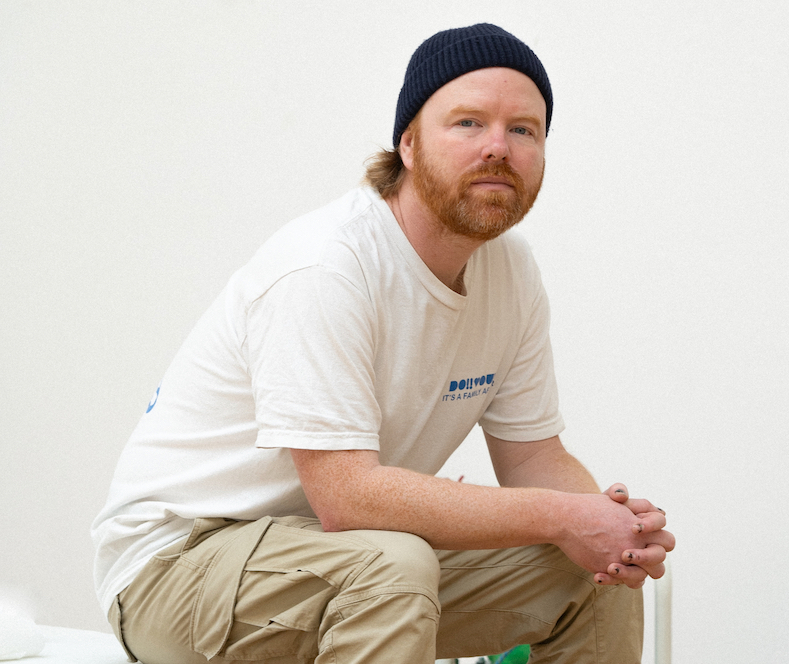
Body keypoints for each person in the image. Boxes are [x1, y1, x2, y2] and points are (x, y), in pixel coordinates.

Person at [92, 23, 673, 664]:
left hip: (343, 557)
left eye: (523, 130)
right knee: (391, 564)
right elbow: (347, 498)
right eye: (467, 123)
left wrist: (612, 525)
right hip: (177, 565)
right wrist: (562, 517)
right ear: (409, 143)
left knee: (594, 572)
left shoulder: (511, 272)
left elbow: (535, 457)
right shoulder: (326, 264)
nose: (497, 148)